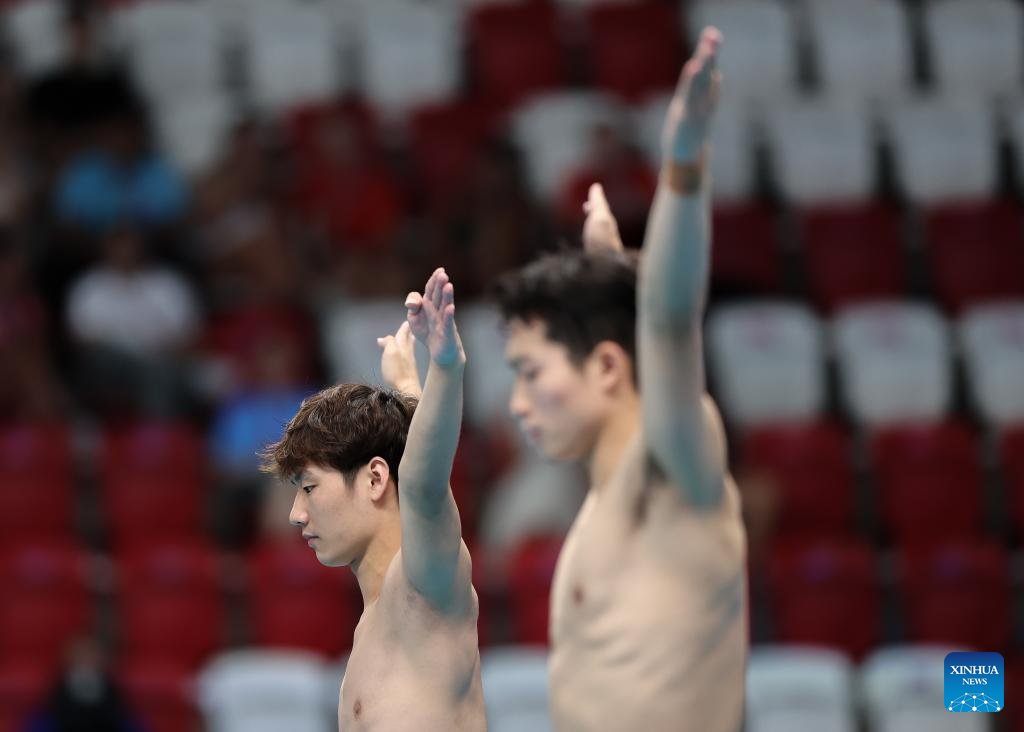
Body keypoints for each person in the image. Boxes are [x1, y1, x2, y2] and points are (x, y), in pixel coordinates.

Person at [491, 28, 747, 731]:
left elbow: (667, 323)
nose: (516, 404)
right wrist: (615, 281)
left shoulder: (670, 474)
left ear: (606, 366)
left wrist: (683, 170)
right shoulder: (595, 515)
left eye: (530, 374)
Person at [261, 267, 485, 731]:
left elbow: (423, 483)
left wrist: (444, 368)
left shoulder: (424, 586)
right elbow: (412, 459)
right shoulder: (375, 621)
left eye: (308, 488)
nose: (296, 514)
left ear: (375, 479)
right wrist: (406, 385)